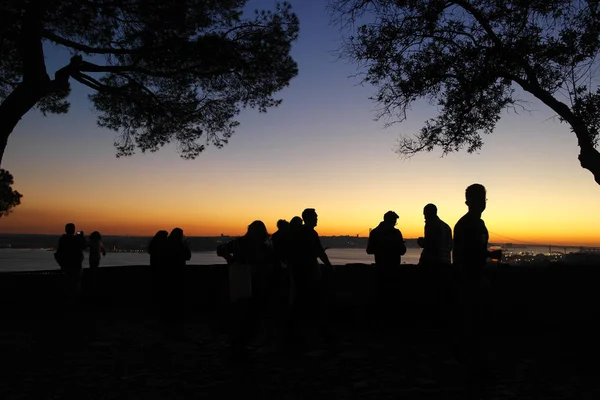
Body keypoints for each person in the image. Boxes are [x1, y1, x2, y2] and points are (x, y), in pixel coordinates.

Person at [452, 184, 502, 385]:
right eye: (477, 198)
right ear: (468, 202)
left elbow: (475, 250)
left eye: (483, 199)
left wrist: (488, 255)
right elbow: (464, 254)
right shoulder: (465, 224)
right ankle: (472, 368)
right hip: (469, 279)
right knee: (472, 323)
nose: (481, 203)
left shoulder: (479, 224)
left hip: (477, 278)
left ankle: (476, 366)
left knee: (477, 323)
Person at [217, 220, 275, 359]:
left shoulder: (239, 242)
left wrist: (230, 261)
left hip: (241, 280)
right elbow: (269, 262)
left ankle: (237, 341)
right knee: (253, 312)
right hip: (257, 281)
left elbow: (220, 250)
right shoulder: (264, 245)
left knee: (239, 311)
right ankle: (248, 341)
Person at [286, 208, 334, 349]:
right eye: (315, 216)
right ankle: (312, 334)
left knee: (300, 302)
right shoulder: (310, 233)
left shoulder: (296, 233)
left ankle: (297, 333)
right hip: (308, 272)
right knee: (310, 302)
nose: (317, 218)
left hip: (299, 271)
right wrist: (329, 266)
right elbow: (319, 252)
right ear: (309, 218)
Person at [162, 228, 191, 338]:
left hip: (167, 274)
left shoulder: (166, 245)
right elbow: (187, 257)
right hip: (179, 273)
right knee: (178, 296)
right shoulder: (180, 245)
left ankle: (168, 318)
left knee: (169, 296)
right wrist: (186, 245)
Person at [54, 223, 87, 302]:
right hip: (76, 266)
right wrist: (82, 237)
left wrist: (61, 263)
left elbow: (59, 252)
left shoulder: (63, 239)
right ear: (74, 230)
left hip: (65, 266)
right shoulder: (76, 239)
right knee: (75, 286)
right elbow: (84, 246)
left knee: (66, 285)